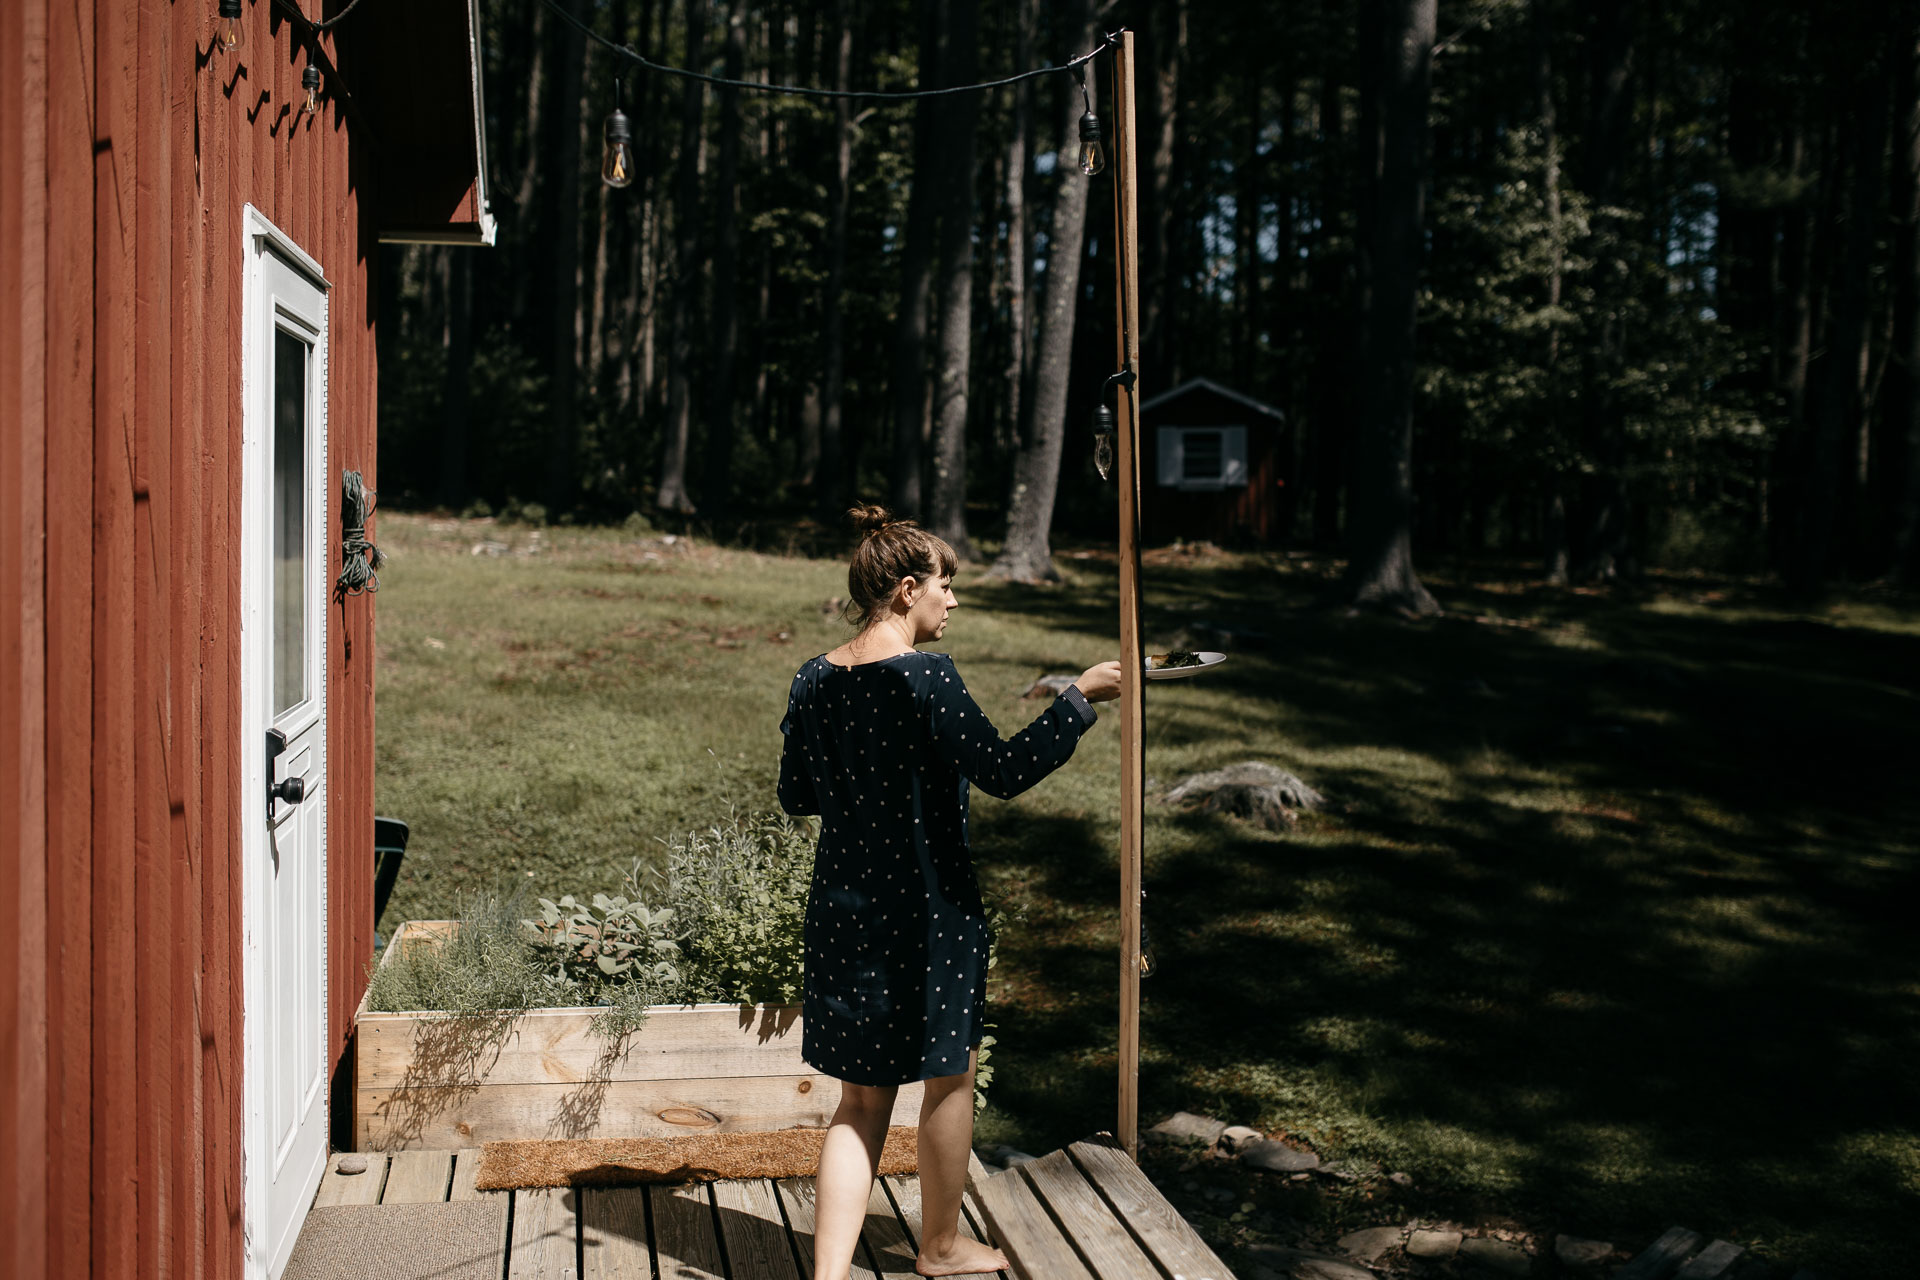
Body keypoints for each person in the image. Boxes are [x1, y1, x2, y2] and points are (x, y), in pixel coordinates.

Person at [778, 505, 1122, 1279]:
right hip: (931, 913)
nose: (953, 601)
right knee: (947, 1076)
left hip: (843, 910)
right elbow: (1001, 771)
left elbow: (797, 793)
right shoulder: (927, 678)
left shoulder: (813, 679)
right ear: (906, 590)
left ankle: (827, 1278)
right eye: (946, 585)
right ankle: (938, 1247)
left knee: (859, 1101)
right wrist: (1080, 698)